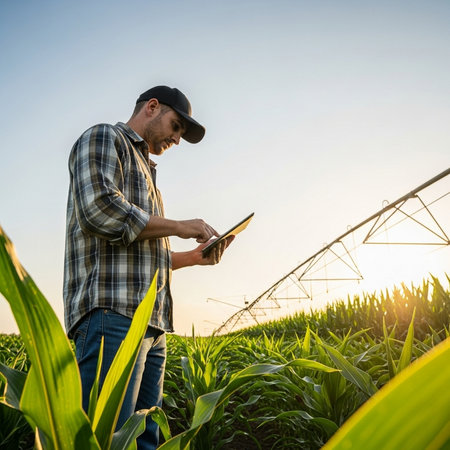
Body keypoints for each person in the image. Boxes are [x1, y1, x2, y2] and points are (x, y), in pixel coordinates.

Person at [63, 85, 232, 449]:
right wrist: (180, 226)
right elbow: (99, 210)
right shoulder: (104, 137)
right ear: (152, 107)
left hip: (152, 325)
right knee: (106, 439)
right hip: (112, 314)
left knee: (143, 441)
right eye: (176, 127)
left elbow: (145, 256)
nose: (176, 138)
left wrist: (195, 257)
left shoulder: (149, 175)